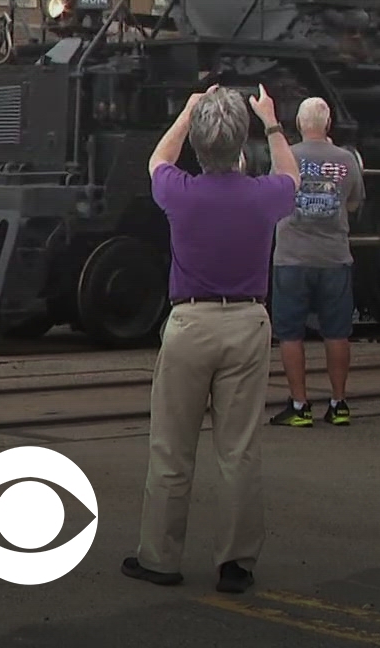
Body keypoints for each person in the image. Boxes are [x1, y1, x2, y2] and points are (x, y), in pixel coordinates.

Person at [124, 85, 299, 595]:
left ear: (199, 145)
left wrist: (186, 111)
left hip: (190, 324)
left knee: (172, 449)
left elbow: (158, 157)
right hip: (247, 323)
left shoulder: (180, 192)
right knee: (239, 449)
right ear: (242, 145)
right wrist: (270, 121)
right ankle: (236, 563)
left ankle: (160, 556)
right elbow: (291, 174)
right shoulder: (264, 195)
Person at [268, 97, 364, 427]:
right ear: (328, 124)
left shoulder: (286, 157)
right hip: (335, 258)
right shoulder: (346, 159)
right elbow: (353, 203)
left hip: (292, 257)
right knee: (337, 333)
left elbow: (274, 198)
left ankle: (299, 405)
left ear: (299, 123)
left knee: (291, 334)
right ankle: (339, 404)